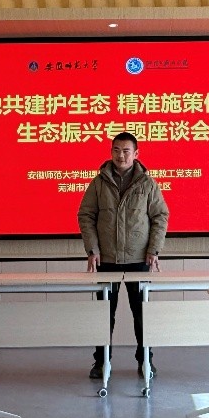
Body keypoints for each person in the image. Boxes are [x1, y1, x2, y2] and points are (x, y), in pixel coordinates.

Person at [78, 132, 169, 380]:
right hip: (106, 259)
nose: (121, 155)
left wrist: (154, 250)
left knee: (141, 314)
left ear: (136, 154)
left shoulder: (147, 184)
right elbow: (86, 215)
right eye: (116, 150)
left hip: (139, 260)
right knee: (104, 314)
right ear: (111, 152)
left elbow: (160, 217)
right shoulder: (99, 183)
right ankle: (101, 362)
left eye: (126, 151)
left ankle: (145, 361)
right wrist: (92, 249)